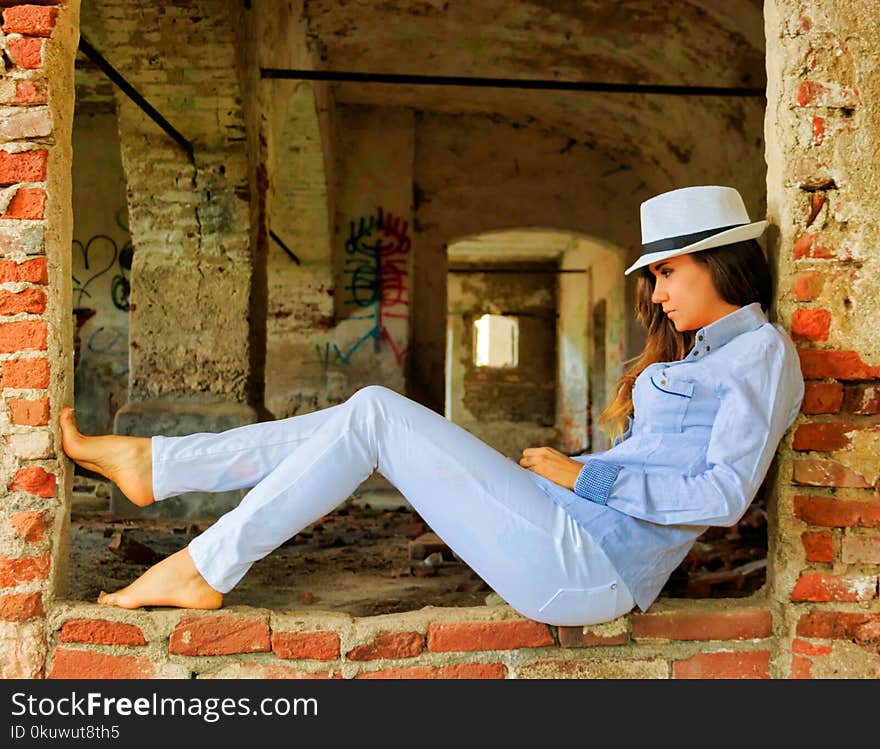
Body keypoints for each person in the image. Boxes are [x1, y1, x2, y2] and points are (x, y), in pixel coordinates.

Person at [59, 185, 804, 627]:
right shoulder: (705, 352)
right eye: (653, 278)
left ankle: (198, 549)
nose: (659, 294)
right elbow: (657, 464)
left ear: (721, 261)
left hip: (591, 567)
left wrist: (586, 479)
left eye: (667, 272)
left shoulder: (761, 354)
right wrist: (574, 472)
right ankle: (157, 464)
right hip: (574, 529)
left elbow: (724, 495)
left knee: (376, 412)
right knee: (359, 419)